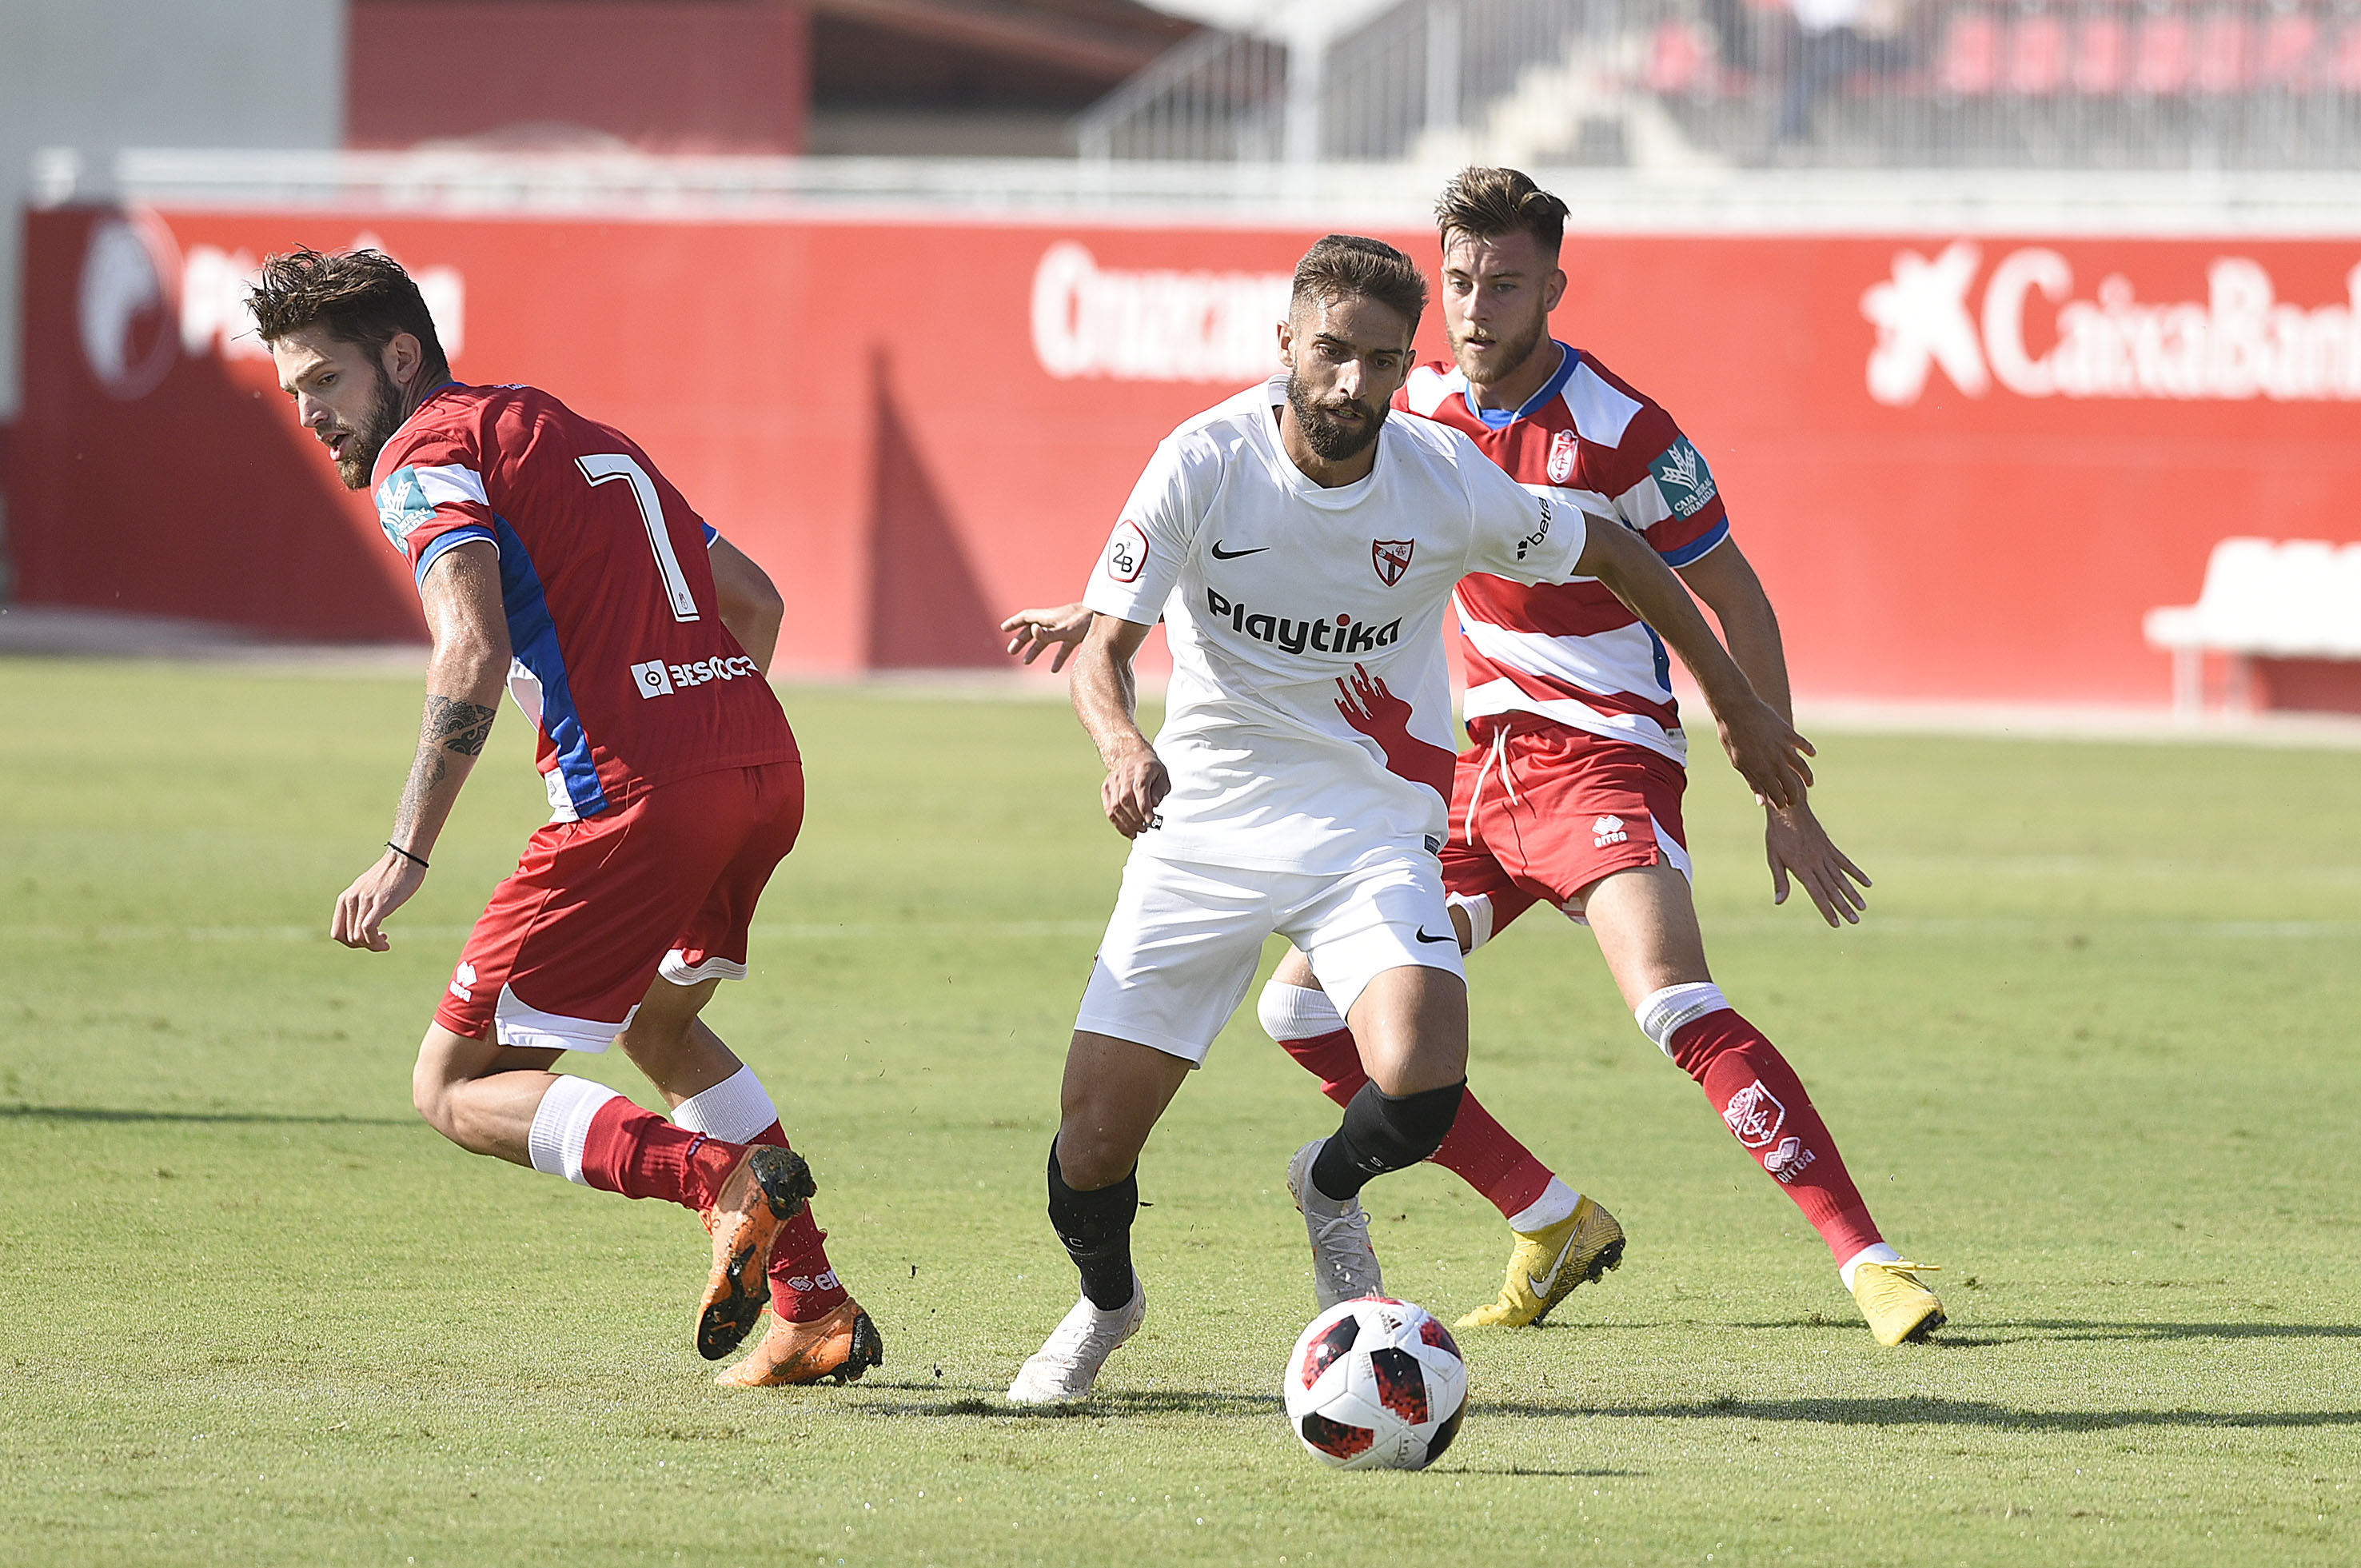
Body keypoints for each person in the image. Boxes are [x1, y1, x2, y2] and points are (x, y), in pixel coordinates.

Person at [1002, 167, 1945, 1350]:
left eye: (1502, 283)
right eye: (1456, 282)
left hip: (1597, 759)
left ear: (1552, 285)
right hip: (1458, 773)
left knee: (1670, 998)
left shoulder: (1622, 429)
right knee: (1302, 1016)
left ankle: (1866, 1256)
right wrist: (1108, 606)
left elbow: (1728, 591)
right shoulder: (1403, 398)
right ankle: (1547, 1218)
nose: (1474, 308)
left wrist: (1768, 761)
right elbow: (1261, 519)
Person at [252, 246, 882, 1387]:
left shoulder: (423, 451)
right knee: (662, 1028)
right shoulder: (563, 429)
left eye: (326, 384)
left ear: (399, 357)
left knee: (453, 1083)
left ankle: (713, 1181)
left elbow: (473, 645)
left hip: (638, 796)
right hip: (760, 763)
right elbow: (756, 601)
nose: (312, 416)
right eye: (295, 394)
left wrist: (408, 847)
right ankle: (811, 1304)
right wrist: (705, 733)